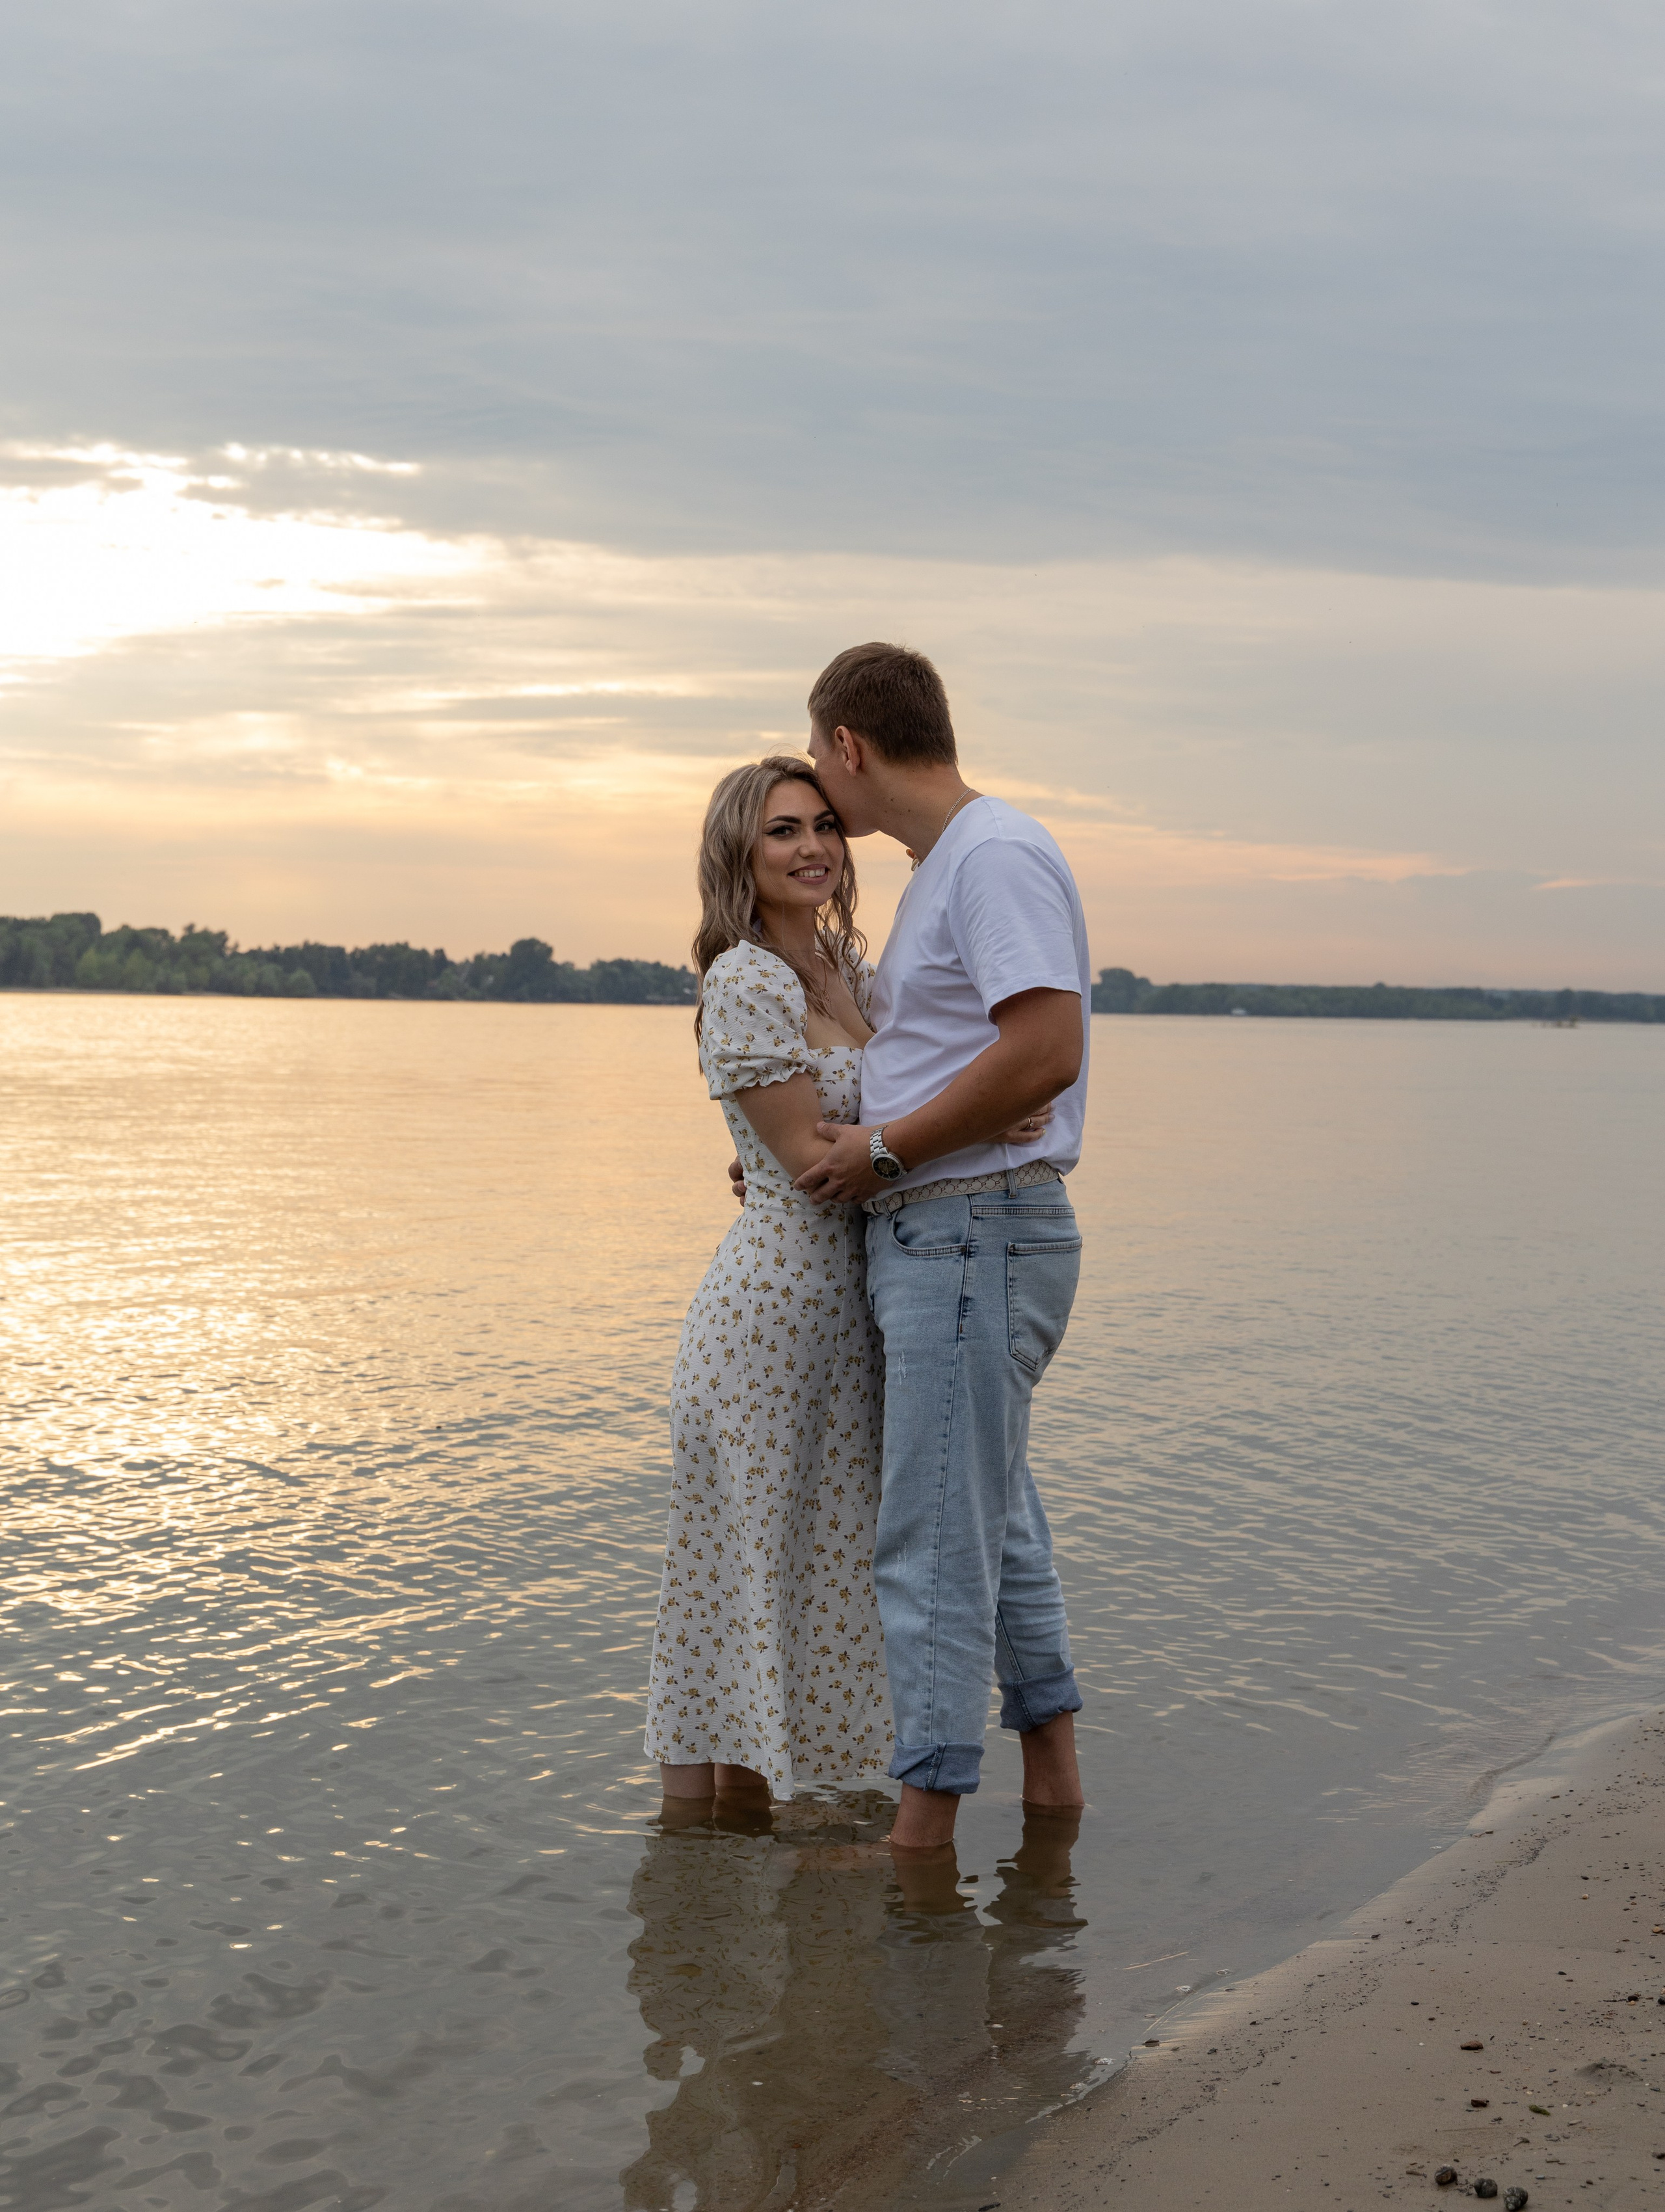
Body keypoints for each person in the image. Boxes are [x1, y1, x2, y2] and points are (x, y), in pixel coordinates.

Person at [645, 756, 1052, 1810]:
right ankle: (712, 1887)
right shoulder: (743, 977)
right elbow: (813, 1161)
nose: (814, 845)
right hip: (771, 1323)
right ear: (739, 850)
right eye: (782, 830)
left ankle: (807, 1843)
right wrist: (970, 1119)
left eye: (825, 824)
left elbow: (894, 1102)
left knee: (826, 1591)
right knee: (744, 1594)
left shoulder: (840, 970)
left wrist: (967, 1109)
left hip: (860, 1310)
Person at [786, 642, 1091, 1855]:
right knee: (997, 1521)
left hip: (968, 1232)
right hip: (961, 1227)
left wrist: (891, 1153)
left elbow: (1046, 1047)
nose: (819, 786)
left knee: (930, 1539)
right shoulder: (952, 866)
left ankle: (920, 1833)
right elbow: (982, 1049)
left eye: (819, 758)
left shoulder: (994, 854)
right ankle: (1055, 1790)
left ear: (850, 747)